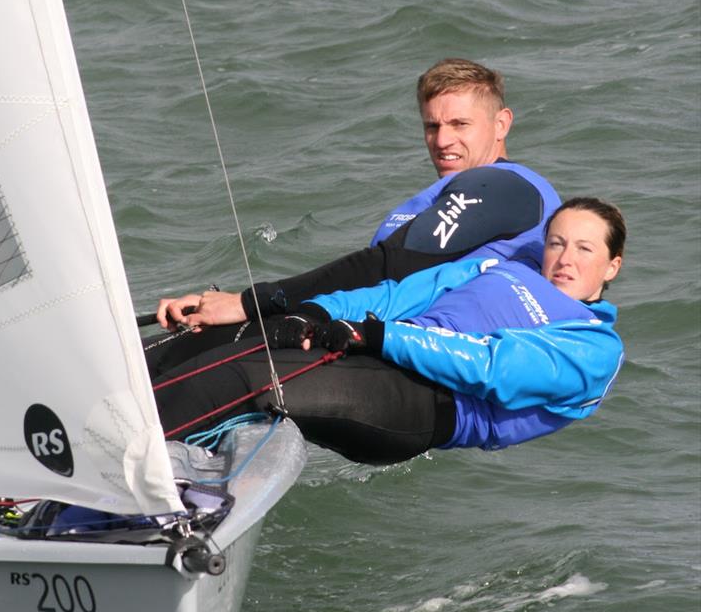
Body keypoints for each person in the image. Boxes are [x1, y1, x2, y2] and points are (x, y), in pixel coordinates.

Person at [153, 199, 626, 463]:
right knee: (221, 344)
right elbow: (395, 298)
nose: (565, 259)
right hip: (375, 351)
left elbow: (489, 365)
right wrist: (315, 314)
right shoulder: (502, 268)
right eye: (557, 243)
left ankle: (114, 485)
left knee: (245, 380)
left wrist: (375, 337)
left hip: (424, 402)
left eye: (584, 249)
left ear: (612, 266)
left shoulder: (593, 347)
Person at [153, 60, 560, 353]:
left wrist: (247, 303)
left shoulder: (505, 187)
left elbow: (387, 265)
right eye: (432, 126)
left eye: (460, 125)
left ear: (502, 123)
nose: (442, 141)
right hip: (362, 332)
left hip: (422, 356)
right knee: (187, 338)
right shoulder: (444, 194)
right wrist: (219, 307)